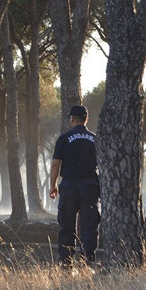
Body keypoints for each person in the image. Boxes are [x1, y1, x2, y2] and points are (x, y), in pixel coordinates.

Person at [49, 105, 100, 266]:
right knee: (89, 226)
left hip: (69, 186)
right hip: (90, 186)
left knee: (67, 226)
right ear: (86, 119)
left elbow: (55, 165)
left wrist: (53, 186)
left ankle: (66, 263)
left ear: (71, 119)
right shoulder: (95, 138)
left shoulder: (64, 138)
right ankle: (88, 262)